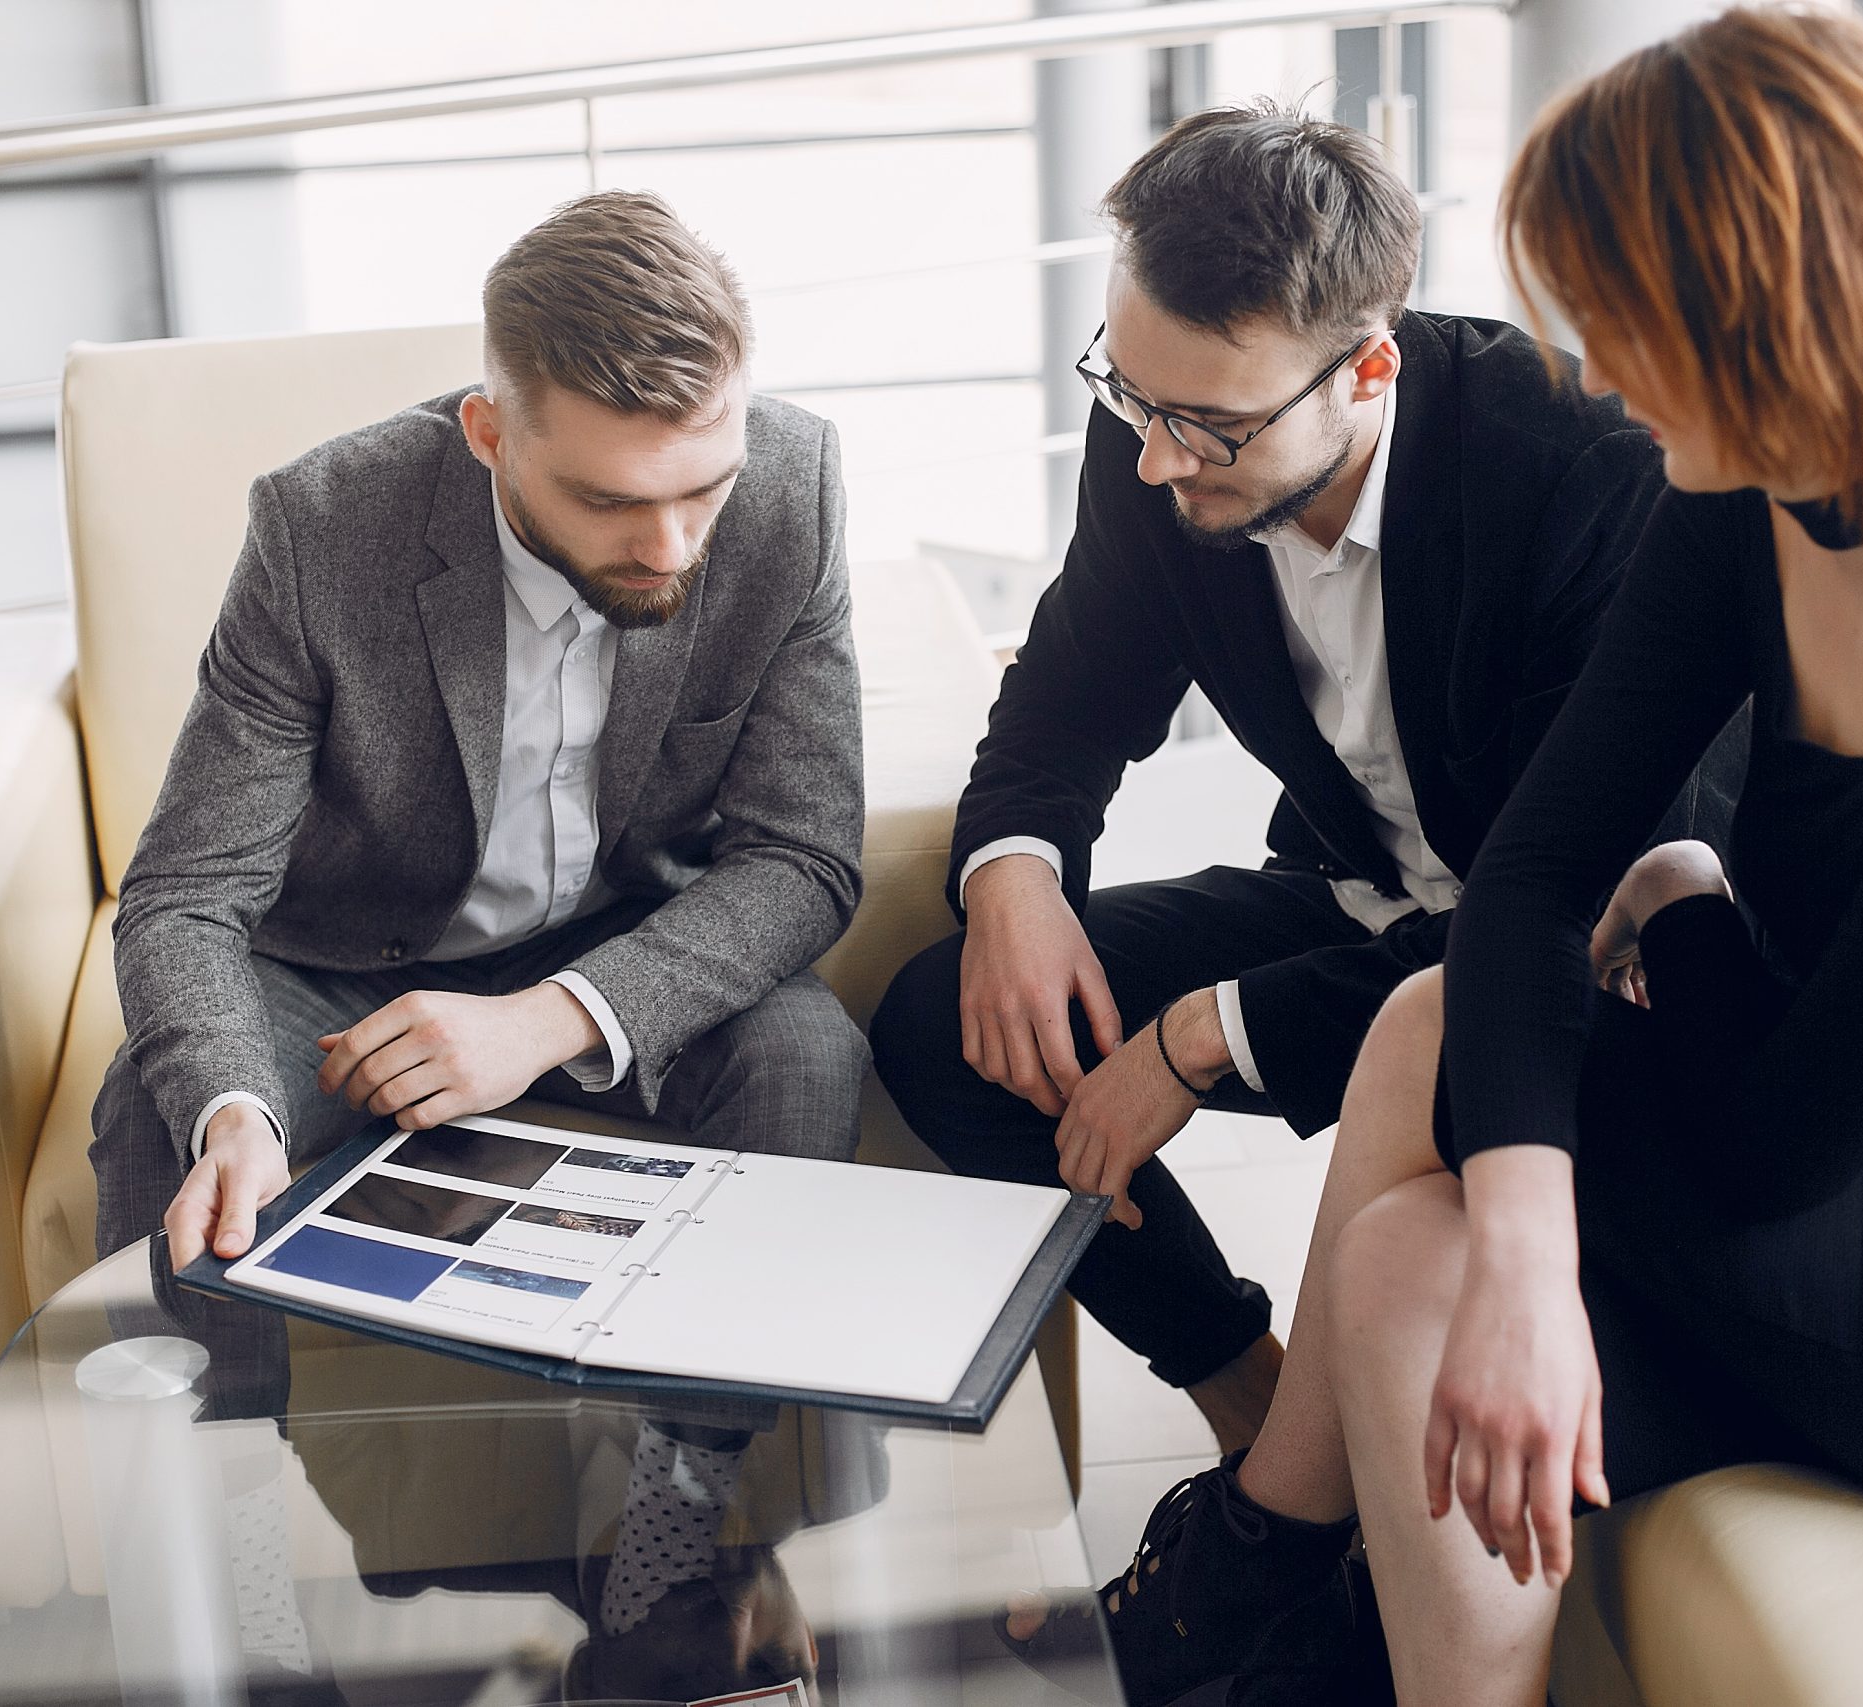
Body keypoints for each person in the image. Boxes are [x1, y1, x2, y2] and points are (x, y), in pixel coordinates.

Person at [1075, 11, 1863, 1706]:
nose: (1600, 373)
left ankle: (1254, 1579)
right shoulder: (1751, 494)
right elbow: (1542, 878)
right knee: (1415, 1253)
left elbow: (1771, 1143)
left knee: (1430, 1050)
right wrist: (1528, 1256)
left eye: (1624, 326)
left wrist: (1686, 900)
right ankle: (1312, 1617)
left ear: (1767, 323)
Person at [868, 101, 1740, 1453]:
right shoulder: (1161, 433)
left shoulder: (1584, 481)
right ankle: (1244, 1389)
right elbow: (1064, 702)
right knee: (952, 1020)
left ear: (1369, 369)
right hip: (1362, 899)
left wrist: (1201, 1031)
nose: (1157, 456)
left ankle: (1314, 1513)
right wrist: (1019, 880)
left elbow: (1560, 914)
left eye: (1206, 426)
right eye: (1128, 391)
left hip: (1566, 974)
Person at [92, 191, 869, 1273]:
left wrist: (553, 1018)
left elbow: (804, 854)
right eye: (610, 502)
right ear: (489, 434)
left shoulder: (796, 494)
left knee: (806, 1063)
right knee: (160, 1108)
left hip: (624, 933)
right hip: (350, 968)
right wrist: (235, 1117)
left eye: (706, 489)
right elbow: (186, 890)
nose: (671, 547)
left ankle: (703, 1444)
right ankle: (220, 1443)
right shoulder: (321, 528)